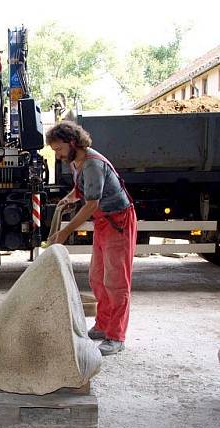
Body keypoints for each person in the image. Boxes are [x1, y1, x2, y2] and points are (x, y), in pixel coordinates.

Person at [46, 121, 137, 356]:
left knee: (116, 282)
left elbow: (92, 204)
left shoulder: (92, 164)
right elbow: (82, 190)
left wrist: (66, 231)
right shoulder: (78, 162)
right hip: (104, 222)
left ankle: (116, 336)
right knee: (97, 277)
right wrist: (68, 199)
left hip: (118, 223)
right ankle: (103, 325)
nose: (57, 155)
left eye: (58, 149)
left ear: (72, 142)